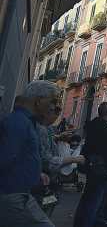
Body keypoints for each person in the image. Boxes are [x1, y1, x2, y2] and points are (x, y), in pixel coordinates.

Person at [0, 81, 62, 227]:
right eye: (53, 101)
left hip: (23, 194)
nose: (53, 107)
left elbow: (20, 155)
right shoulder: (19, 122)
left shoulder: (27, 122)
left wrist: (36, 172)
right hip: (13, 195)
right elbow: (5, 158)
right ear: (39, 101)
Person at [73, 101, 107, 227]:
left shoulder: (95, 123)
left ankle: (82, 222)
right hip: (99, 167)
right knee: (94, 198)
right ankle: (87, 223)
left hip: (93, 165)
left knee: (89, 197)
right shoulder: (104, 127)